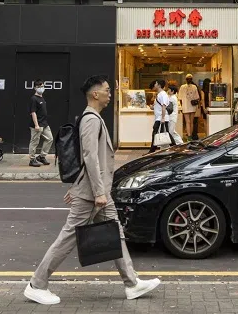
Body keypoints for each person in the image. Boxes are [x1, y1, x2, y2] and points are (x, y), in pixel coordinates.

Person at [24, 75, 160, 306]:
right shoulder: (91, 120)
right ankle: (37, 284)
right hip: (93, 194)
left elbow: (87, 159)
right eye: (107, 90)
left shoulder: (94, 118)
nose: (110, 93)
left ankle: (132, 283)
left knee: (115, 233)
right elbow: (89, 158)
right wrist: (96, 192)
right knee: (67, 238)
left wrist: (86, 188)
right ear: (95, 94)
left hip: (97, 191)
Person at [29, 80, 54, 168]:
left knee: (50, 139)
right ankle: (32, 160)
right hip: (37, 124)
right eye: (39, 86)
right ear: (35, 88)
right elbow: (33, 112)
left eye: (42, 86)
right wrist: (36, 125)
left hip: (44, 123)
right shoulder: (34, 99)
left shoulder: (42, 98)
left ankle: (41, 156)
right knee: (34, 142)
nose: (41, 88)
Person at [149, 79, 174, 152]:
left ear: (159, 85)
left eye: (156, 83)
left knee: (158, 132)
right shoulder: (160, 94)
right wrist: (153, 107)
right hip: (160, 117)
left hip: (161, 117)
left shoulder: (163, 94)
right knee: (165, 133)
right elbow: (159, 106)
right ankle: (173, 146)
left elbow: (164, 107)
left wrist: (162, 118)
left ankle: (152, 150)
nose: (154, 84)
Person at [179, 74, 200, 141]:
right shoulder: (194, 87)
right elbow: (197, 97)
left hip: (185, 106)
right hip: (192, 106)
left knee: (188, 122)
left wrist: (182, 107)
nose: (189, 80)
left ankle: (189, 136)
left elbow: (180, 98)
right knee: (191, 122)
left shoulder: (182, 87)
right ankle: (190, 136)